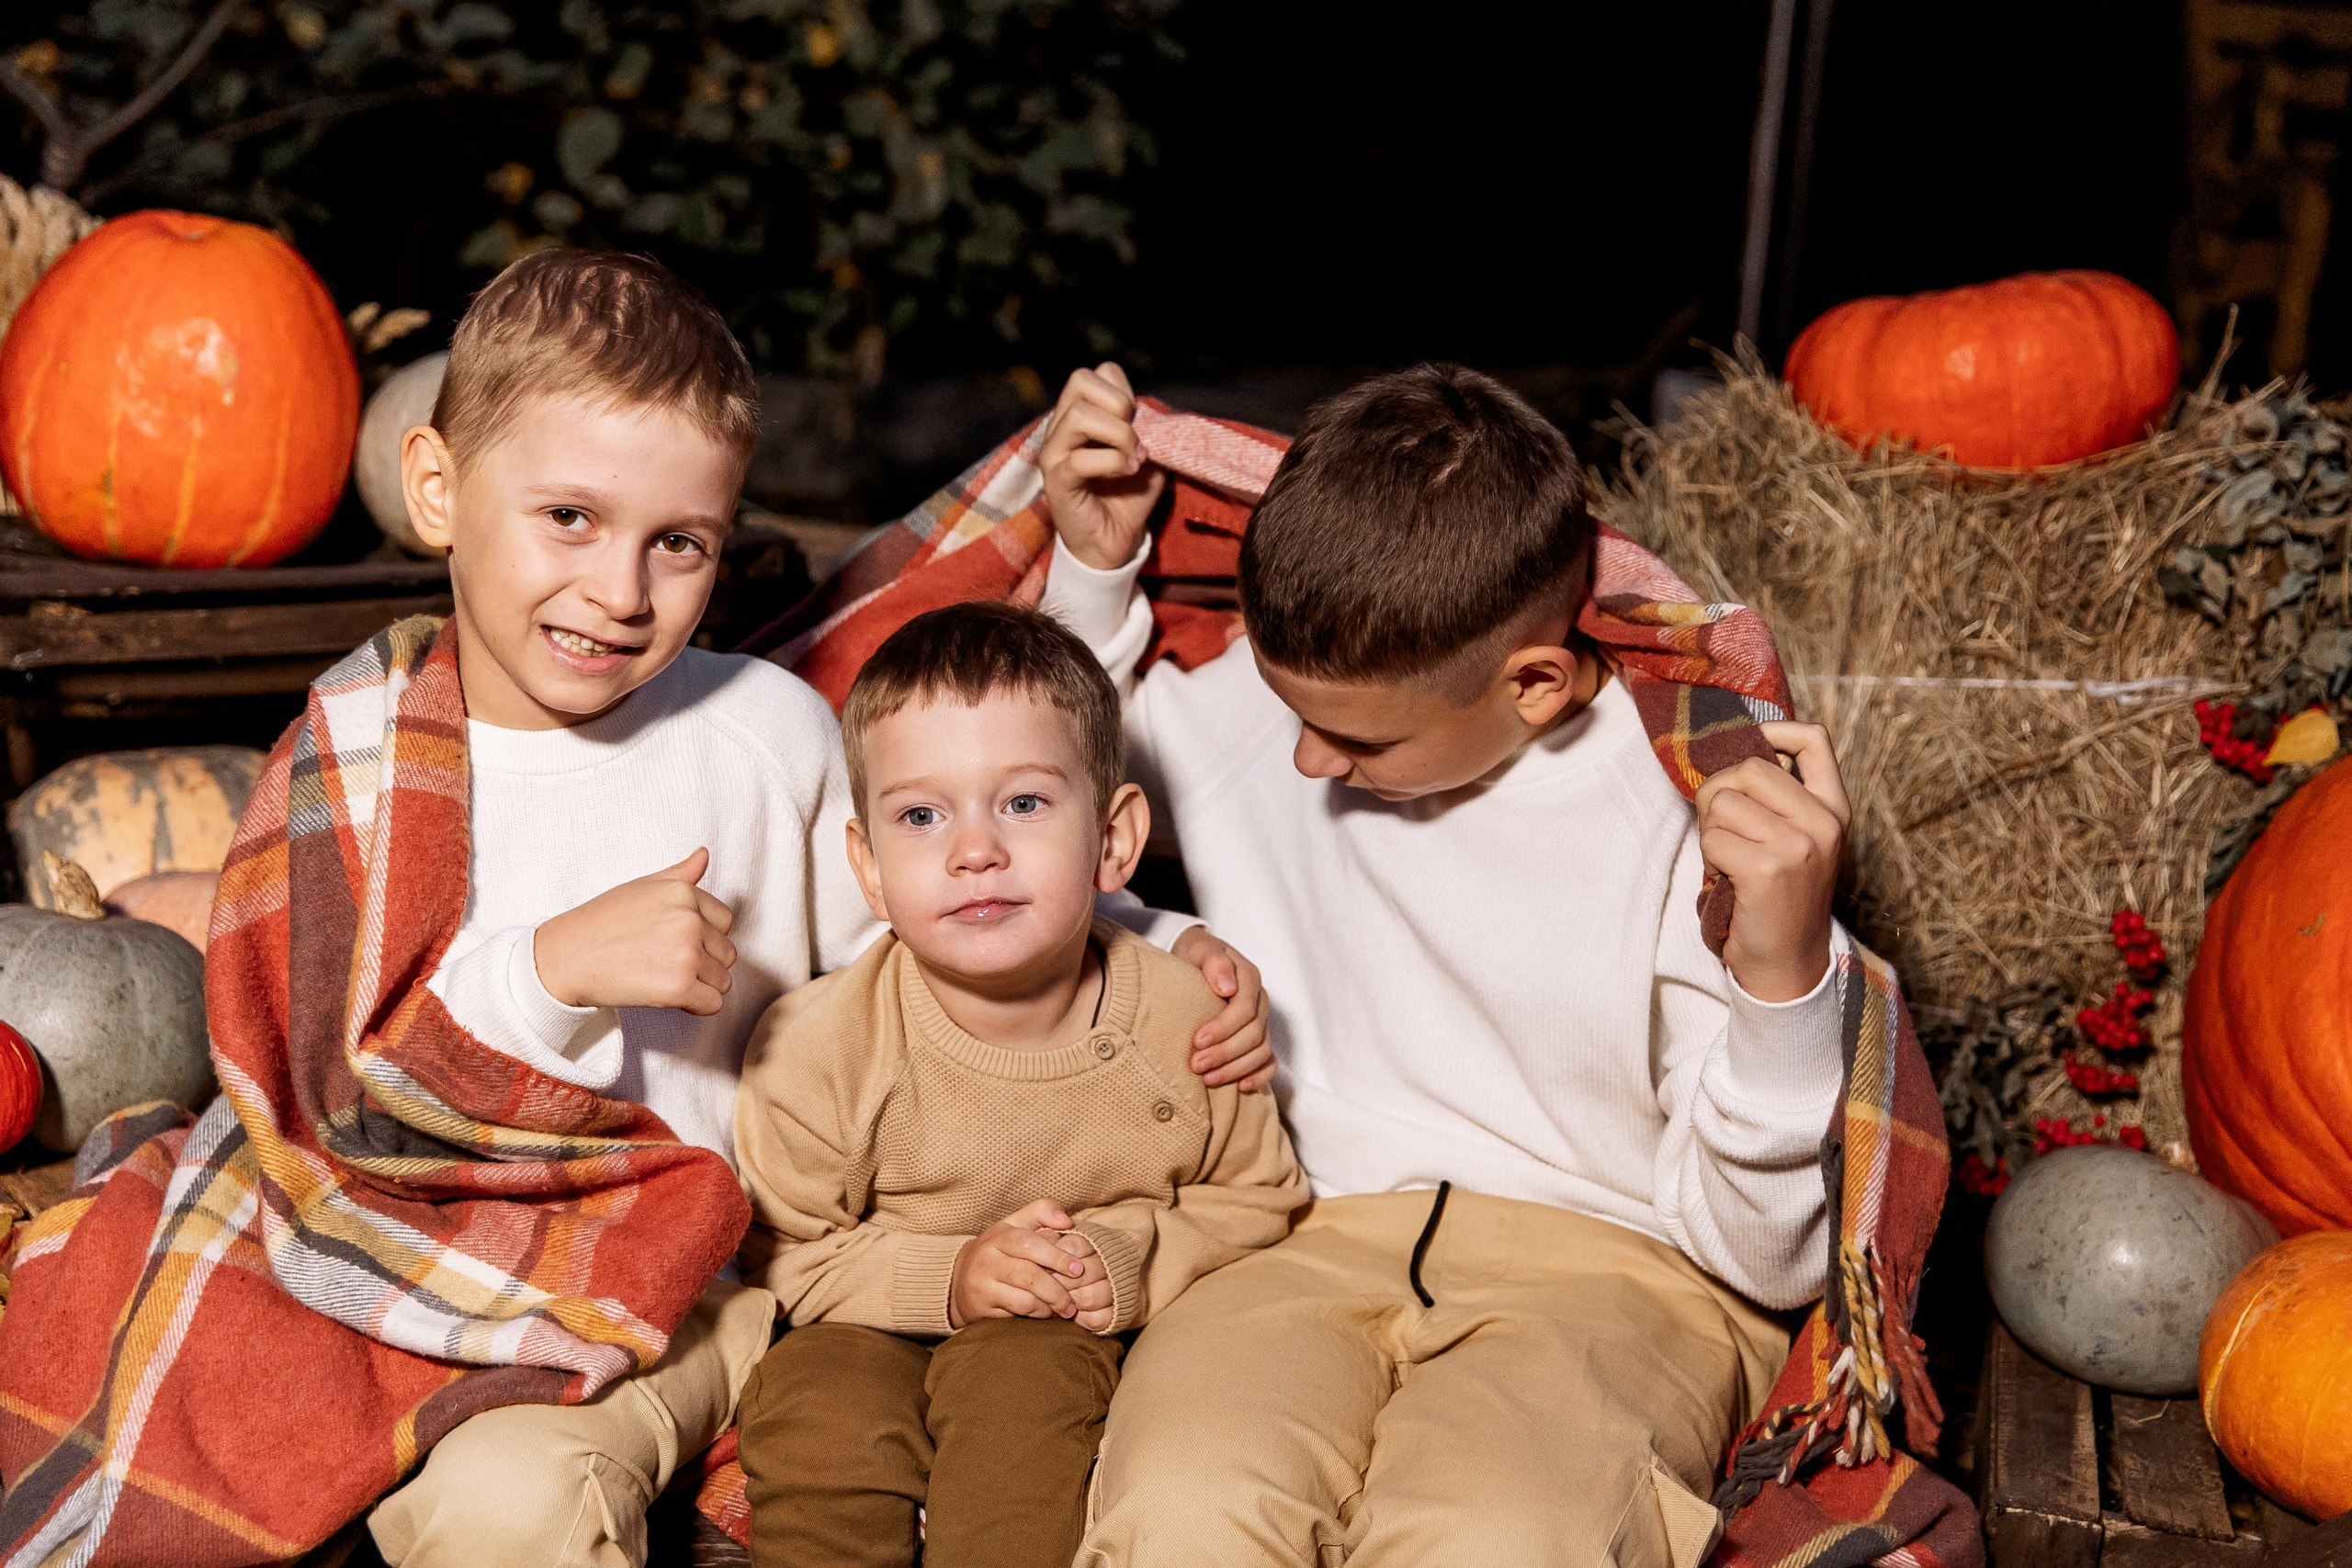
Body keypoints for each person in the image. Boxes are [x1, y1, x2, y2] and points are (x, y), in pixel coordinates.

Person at [346, 254, 1272, 1566]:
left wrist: (1174, 942)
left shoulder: (764, 732)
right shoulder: (361, 758)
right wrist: (554, 968)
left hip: (695, 1281)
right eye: (568, 516)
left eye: (678, 542)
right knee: (372, 1457)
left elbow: (950, 903)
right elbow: (339, 1069)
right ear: (437, 488)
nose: (620, 589)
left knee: (511, 1499)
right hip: (447, 1254)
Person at [1034, 362, 1860, 1568]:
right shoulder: (1281, 713)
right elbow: (1045, 792)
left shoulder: (1694, 822)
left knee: (1501, 1537)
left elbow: (1771, 1257)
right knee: (1182, 1504)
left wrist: (1783, 971)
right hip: (1304, 1233)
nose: (1306, 759)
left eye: (1355, 737)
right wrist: (1095, 569)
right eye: (1289, 707)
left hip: (1623, 1274)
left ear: (1528, 682)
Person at [729, 601, 1307, 1568]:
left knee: (1022, 1410)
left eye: (1025, 804)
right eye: (920, 816)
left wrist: (1119, 1258)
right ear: (868, 869)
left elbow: (1259, 1198)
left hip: (1057, 1330)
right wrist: (949, 1279)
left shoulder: (1188, 1023)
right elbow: (782, 1254)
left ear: (1115, 840)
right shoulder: (816, 1045)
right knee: (814, 1414)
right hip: (867, 1317)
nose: (974, 850)